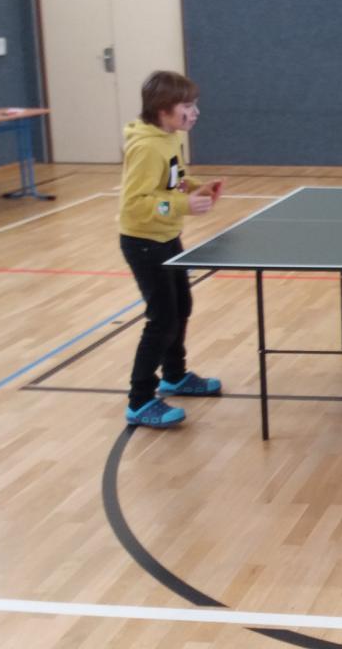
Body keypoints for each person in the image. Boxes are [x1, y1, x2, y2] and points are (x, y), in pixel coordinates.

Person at [119, 71, 225, 428]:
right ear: (163, 109)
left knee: (182, 306)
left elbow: (173, 180)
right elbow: (135, 204)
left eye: (195, 105)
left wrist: (195, 187)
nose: (195, 112)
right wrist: (183, 205)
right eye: (187, 106)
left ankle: (175, 376)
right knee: (162, 318)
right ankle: (139, 400)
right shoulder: (146, 147)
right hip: (143, 242)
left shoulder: (169, 137)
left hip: (166, 235)